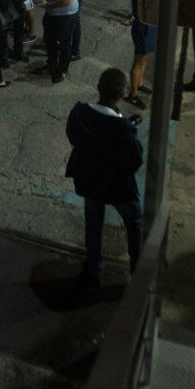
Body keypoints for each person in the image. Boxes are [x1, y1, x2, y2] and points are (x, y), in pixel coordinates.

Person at [66, 68, 144, 290]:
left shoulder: (79, 113)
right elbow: (135, 161)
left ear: (99, 88)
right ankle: (137, 271)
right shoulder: (124, 129)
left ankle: (94, 268)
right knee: (135, 223)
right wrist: (130, 130)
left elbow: (74, 137)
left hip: (89, 181)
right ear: (120, 94)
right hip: (117, 187)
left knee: (93, 222)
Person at [35, 0, 78, 83]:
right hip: (52, 15)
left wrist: (48, 5)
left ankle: (62, 70)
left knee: (65, 44)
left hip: (65, 16)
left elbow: (68, 0)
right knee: (49, 41)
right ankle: (51, 65)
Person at [127, 0, 157, 108]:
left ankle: (139, 84)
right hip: (143, 28)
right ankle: (133, 95)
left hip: (148, 27)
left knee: (144, 59)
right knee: (139, 61)